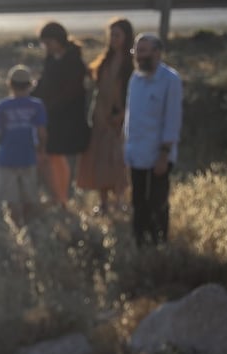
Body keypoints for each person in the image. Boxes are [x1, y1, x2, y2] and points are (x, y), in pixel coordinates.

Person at [125, 32, 183, 246]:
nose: (138, 56)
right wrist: (127, 149)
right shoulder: (136, 78)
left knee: (157, 201)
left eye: (143, 51)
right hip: (136, 152)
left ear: (157, 53)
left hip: (159, 153)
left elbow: (172, 119)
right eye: (136, 51)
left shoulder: (170, 80)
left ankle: (159, 242)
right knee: (138, 201)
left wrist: (164, 153)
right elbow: (131, 117)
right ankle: (140, 242)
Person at [76, 18, 135, 214]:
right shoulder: (104, 61)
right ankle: (103, 203)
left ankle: (119, 201)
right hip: (100, 116)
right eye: (111, 35)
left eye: (117, 35)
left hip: (118, 118)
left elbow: (132, 93)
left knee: (116, 160)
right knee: (98, 158)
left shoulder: (130, 64)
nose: (113, 39)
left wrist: (122, 115)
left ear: (126, 37)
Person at [31, 22, 91, 208]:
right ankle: (58, 194)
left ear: (58, 40)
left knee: (66, 158)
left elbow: (70, 91)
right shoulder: (51, 59)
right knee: (52, 155)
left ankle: (65, 196)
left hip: (69, 117)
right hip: (53, 116)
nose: (46, 47)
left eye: (48, 43)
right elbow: (44, 83)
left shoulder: (74, 61)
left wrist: (49, 104)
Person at [0, 65, 47, 229]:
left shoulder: (2, 106)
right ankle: (28, 226)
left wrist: (3, 141)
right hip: (28, 156)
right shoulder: (37, 105)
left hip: (7, 156)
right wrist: (41, 151)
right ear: (29, 85)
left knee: (10, 197)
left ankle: (17, 228)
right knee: (29, 194)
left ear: (10, 84)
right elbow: (42, 133)